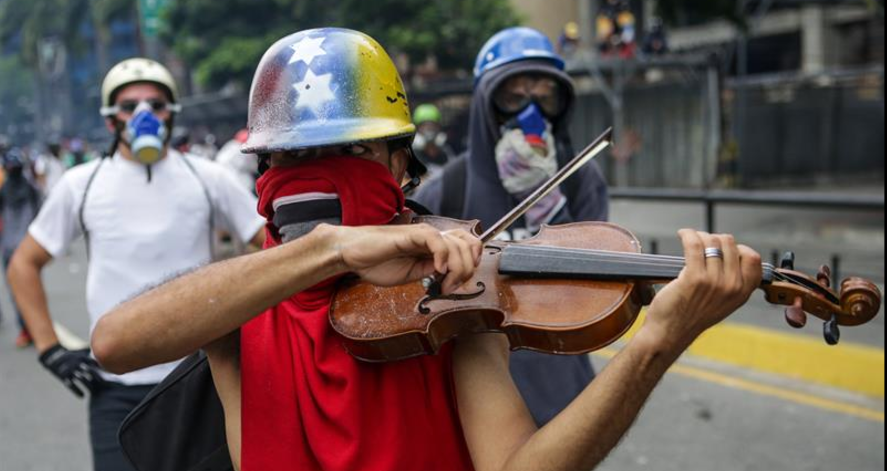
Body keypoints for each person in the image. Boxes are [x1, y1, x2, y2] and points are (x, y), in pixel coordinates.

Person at [92, 28, 763, 471]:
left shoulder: (449, 286)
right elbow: (116, 342)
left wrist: (654, 344)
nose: (315, 174)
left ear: (396, 165)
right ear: (263, 170)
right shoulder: (237, 300)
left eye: (349, 152)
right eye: (292, 157)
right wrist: (331, 246)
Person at [8, 57, 265, 471]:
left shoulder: (209, 177)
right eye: (129, 106)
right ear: (112, 120)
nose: (144, 115)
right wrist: (50, 349)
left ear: (172, 113)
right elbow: (24, 264)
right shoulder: (82, 183)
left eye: (156, 103)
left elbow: (273, 247)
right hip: (115, 391)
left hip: (200, 382)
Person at [412, 26, 609, 426]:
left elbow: (593, 294)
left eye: (542, 99)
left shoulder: (579, 180)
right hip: (471, 391)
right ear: (488, 105)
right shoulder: (450, 185)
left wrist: (550, 207)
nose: (530, 114)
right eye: (513, 99)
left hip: (560, 386)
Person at [0, 147, 42, 347]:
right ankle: (31, 328)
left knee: (17, 290)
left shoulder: (6, 190)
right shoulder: (31, 189)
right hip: (26, 247)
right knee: (31, 289)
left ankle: (27, 329)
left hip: (13, 248)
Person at [411, 104, 455, 179]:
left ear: (439, 127)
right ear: (417, 129)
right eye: (424, 126)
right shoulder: (411, 156)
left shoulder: (446, 154)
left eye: (432, 125)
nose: (429, 129)